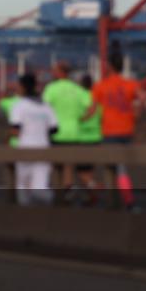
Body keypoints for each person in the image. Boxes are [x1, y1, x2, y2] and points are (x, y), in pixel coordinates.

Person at [92, 52, 143, 210]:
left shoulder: (100, 86)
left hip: (109, 131)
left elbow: (92, 109)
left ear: (109, 67)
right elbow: (142, 99)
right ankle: (123, 199)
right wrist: (136, 115)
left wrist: (80, 120)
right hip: (127, 130)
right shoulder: (132, 84)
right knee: (121, 167)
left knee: (112, 168)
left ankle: (124, 201)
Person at [42, 62, 99, 202]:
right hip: (74, 132)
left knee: (58, 166)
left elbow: (44, 107)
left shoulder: (51, 88)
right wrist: (81, 119)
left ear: (61, 72)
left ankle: (64, 193)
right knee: (69, 165)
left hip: (57, 133)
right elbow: (92, 106)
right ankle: (72, 190)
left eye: (54, 70)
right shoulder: (77, 89)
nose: (52, 73)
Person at [9, 73, 57, 206]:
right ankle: (54, 205)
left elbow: (15, 130)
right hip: (43, 148)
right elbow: (54, 129)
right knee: (40, 187)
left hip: (25, 149)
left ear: (23, 87)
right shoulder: (46, 106)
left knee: (23, 186)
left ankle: (25, 217)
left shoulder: (19, 105)